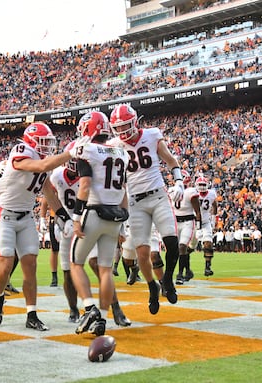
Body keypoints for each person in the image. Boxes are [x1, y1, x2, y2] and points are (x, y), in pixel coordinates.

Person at [0, 122, 85, 331]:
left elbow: (50, 194)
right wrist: (69, 153)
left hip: (25, 218)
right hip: (5, 215)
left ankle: (31, 314)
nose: (47, 147)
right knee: (5, 263)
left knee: (30, 266)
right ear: (32, 142)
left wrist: (64, 218)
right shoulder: (21, 151)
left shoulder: (44, 162)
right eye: (43, 143)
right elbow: (40, 167)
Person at [108, 103, 184, 314]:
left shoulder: (151, 135)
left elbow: (170, 159)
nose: (123, 131)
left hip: (158, 194)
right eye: (119, 127)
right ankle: (152, 286)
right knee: (142, 252)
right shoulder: (114, 145)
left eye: (126, 126)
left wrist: (178, 182)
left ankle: (167, 279)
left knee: (172, 241)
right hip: (135, 202)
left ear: (135, 122)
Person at [49, 141, 130, 327]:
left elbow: (89, 187)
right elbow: (50, 197)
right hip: (71, 224)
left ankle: (112, 308)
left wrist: (76, 218)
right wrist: (55, 220)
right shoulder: (58, 175)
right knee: (71, 271)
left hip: (87, 219)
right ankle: (74, 310)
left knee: (91, 264)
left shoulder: (92, 165)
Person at [69, 111, 129, 336]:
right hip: (115, 217)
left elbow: (84, 186)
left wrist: (76, 217)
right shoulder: (121, 152)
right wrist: (123, 224)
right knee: (105, 270)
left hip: (93, 213)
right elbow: (123, 191)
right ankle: (103, 319)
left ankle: (89, 308)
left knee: (76, 263)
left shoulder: (88, 150)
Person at [0, 160, 20, 295]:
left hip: (10, 215)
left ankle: (5, 281)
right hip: (0, 215)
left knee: (16, 254)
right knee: (3, 252)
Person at [169, 170, 201, 285]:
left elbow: (197, 211)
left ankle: (180, 274)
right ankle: (188, 271)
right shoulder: (171, 191)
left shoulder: (190, 191)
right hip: (175, 223)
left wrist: (199, 227)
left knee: (182, 247)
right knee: (176, 249)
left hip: (188, 221)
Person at [195, 174, 218, 276]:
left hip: (206, 222)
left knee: (208, 244)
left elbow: (215, 205)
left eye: (204, 184)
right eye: (200, 184)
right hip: (194, 222)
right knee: (189, 246)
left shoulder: (212, 193)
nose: (202, 186)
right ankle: (184, 268)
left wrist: (213, 218)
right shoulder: (193, 193)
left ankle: (207, 267)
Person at [39, 197, 59, 287]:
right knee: (54, 249)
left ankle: (72, 275)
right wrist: (42, 219)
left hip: (70, 217)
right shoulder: (54, 183)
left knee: (72, 250)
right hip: (55, 218)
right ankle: (54, 276)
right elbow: (45, 199)